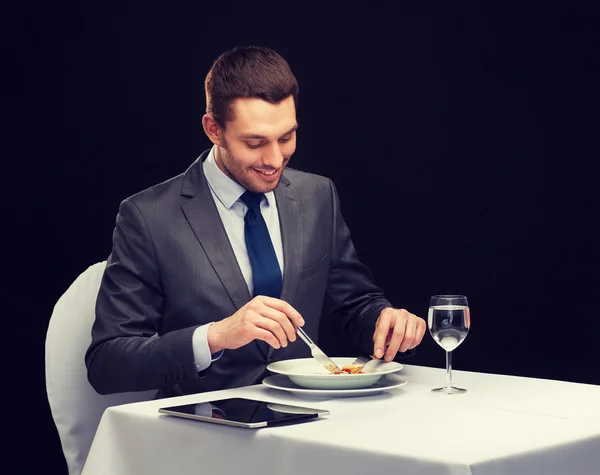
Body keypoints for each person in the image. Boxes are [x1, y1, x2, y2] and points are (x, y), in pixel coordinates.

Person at [85, 45, 426, 398]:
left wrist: (387, 322)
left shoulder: (317, 195)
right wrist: (216, 336)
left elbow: (356, 303)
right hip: (203, 432)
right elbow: (108, 364)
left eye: (287, 137)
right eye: (255, 142)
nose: (275, 159)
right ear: (213, 129)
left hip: (312, 425)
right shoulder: (148, 217)